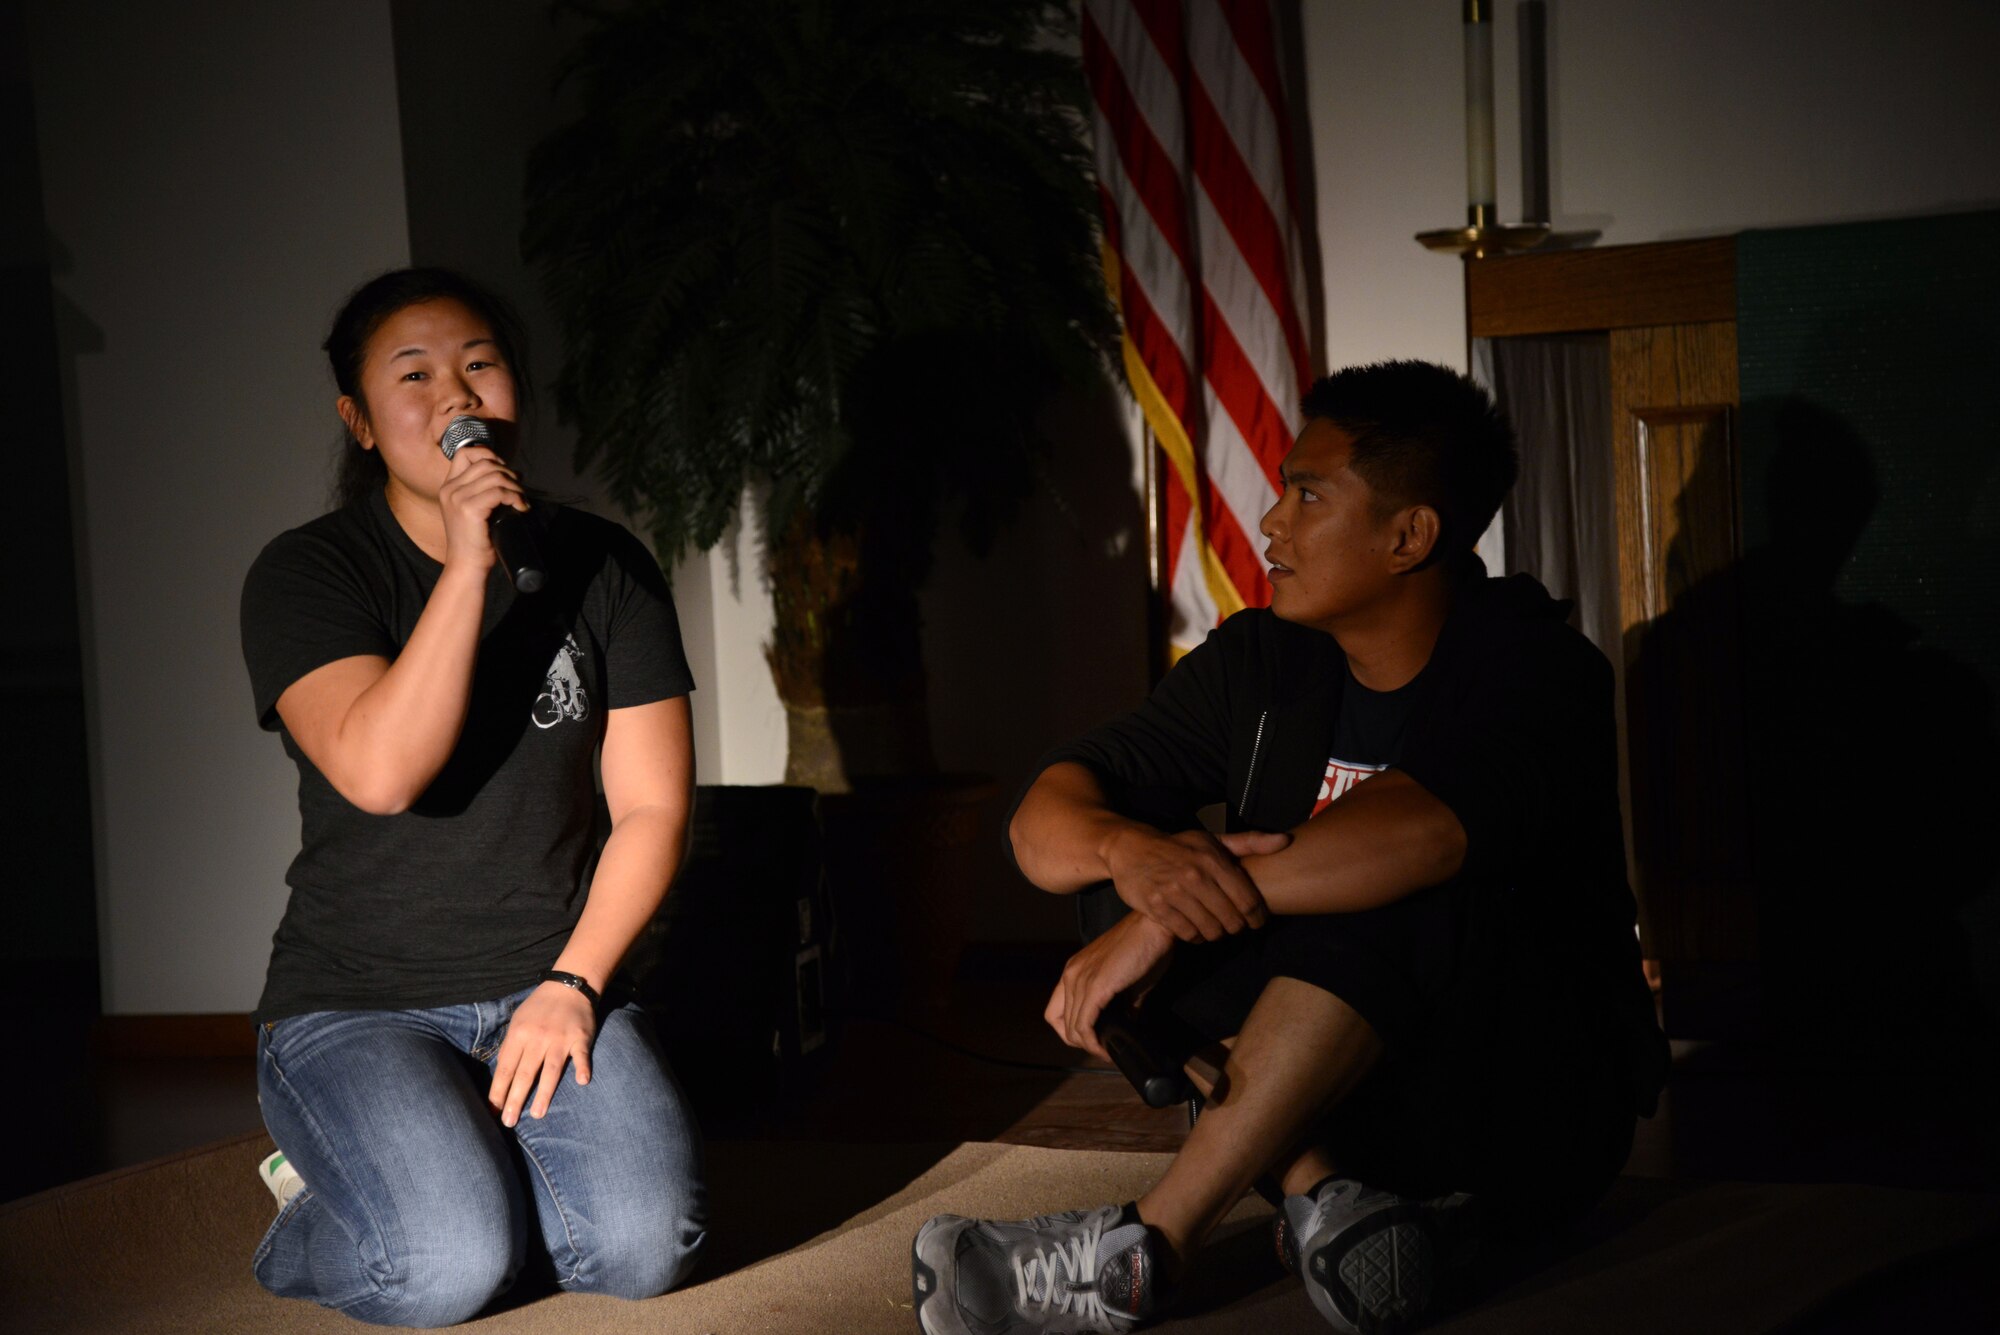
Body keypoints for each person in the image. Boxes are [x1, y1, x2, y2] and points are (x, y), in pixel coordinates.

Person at [912, 361, 1666, 1335]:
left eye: (1306, 496)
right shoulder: (1263, 661)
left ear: (1408, 535)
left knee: (1360, 887)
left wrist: (1164, 912)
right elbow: (1042, 823)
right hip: (1332, 1096)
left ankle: (1144, 1251)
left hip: (1515, 1101)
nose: (1270, 522)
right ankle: (1333, 1205)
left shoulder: (1534, 668)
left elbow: (1425, 834)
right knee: (1136, 869)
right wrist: (1130, 861)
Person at [239, 268, 705, 1327]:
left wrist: (575, 984)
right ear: (358, 420)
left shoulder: (603, 565)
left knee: (641, 1252)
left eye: (478, 366)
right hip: (354, 1004)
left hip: (547, 985)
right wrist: (464, 567)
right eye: (414, 375)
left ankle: (465, 1169)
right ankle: (312, 1212)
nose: (454, 396)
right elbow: (380, 772)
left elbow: (652, 811)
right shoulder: (309, 574)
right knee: (443, 1269)